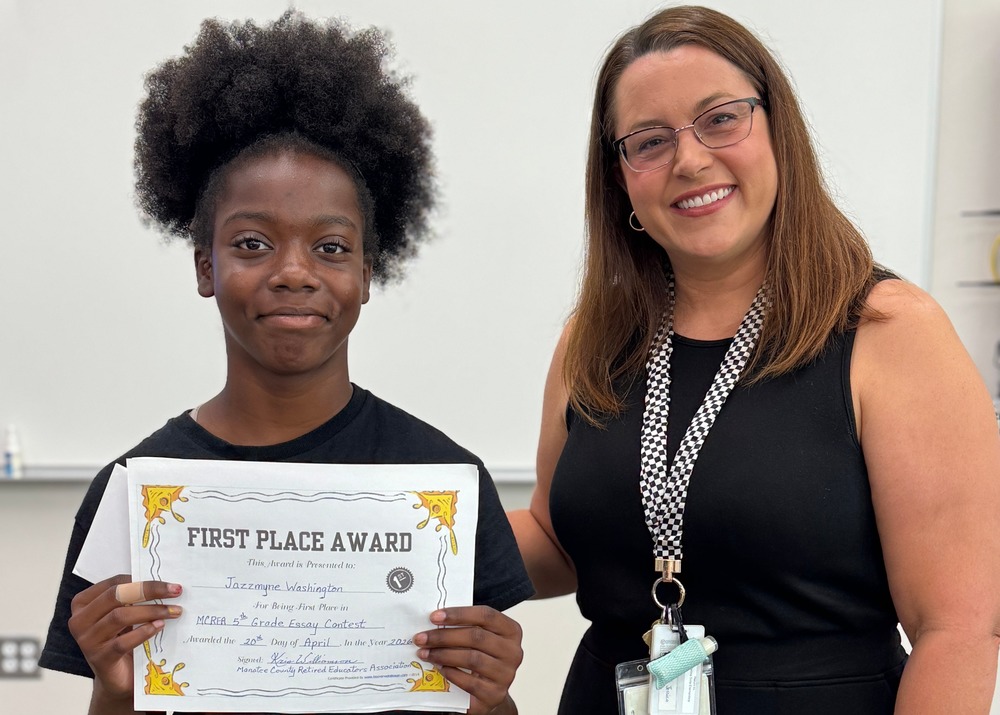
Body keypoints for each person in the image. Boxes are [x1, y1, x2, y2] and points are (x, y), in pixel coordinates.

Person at [508, 5, 1000, 713]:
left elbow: (956, 628)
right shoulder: (592, 335)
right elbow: (557, 539)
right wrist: (396, 528)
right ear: (620, 181)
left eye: (720, 119)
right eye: (648, 141)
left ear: (777, 131)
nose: (690, 159)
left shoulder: (891, 331)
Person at [38, 12, 533, 715]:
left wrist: (490, 697)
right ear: (205, 266)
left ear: (368, 271)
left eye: (330, 247)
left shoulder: (444, 482)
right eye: (251, 244)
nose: (294, 272)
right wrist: (117, 689)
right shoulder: (129, 495)